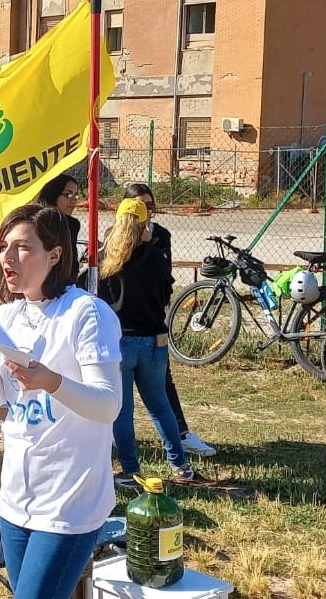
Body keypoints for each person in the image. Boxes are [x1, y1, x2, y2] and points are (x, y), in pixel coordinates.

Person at [0, 205, 122, 599]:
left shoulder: (86, 314)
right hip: (16, 498)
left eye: (22, 248)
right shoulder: (8, 314)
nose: (7, 258)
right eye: (2, 247)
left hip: (69, 501)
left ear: (55, 254)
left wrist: (50, 381)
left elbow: (108, 404)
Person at [98, 198, 204, 487]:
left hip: (120, 343)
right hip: (154, 341)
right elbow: (167, 294)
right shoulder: (156, 256)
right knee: (160, 406)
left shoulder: (106, 259)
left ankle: (131, 471)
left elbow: (96, 300)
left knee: (123, 411)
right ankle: (181, 467)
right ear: (146, 225)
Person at [123, 183, 216, 458]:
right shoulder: (113, 236)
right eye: (140, 205)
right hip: (124, 328)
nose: (146, 212)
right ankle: (122, 452)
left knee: (162, 385)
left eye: (150, 206)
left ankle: (181, 436)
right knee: (121, 393)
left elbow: (165, 280)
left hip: (151, 325)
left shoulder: (160, 236)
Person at [35, 173, 81, 249]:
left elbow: (72, 259)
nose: (73, 200)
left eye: (75, 195)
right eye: (68, 195)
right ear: (53, 194)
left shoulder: (72, 224)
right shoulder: (35, 222)